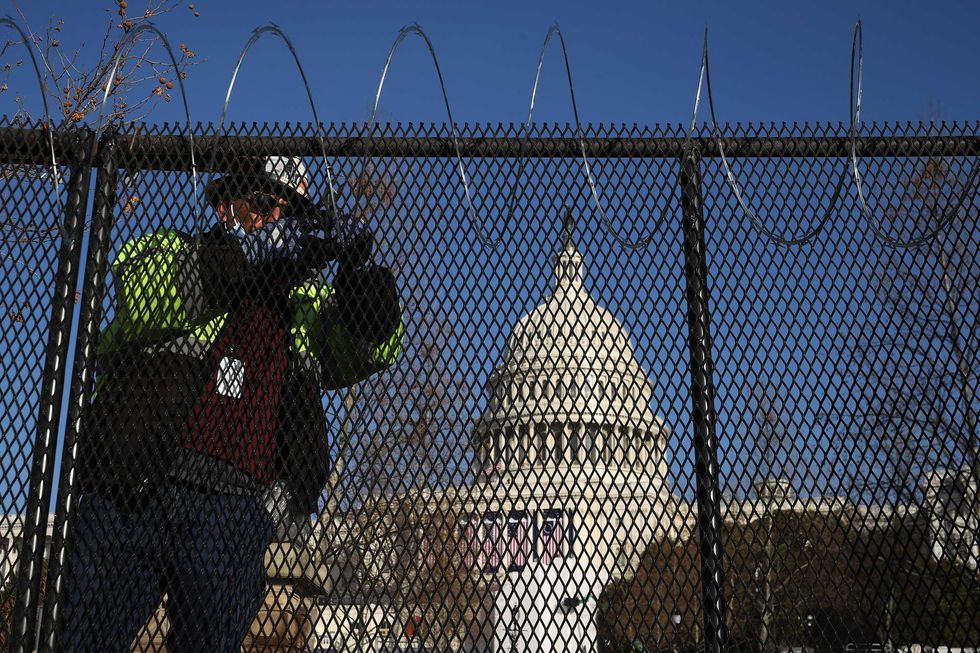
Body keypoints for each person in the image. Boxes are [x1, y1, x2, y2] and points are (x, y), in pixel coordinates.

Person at [61, 156, 404, 652]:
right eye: (263, 204)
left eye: (291, 214)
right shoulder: (178, 251)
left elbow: (366, 349)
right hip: (135, 490)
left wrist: (360, 287)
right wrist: (250, 256)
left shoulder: (304, 303)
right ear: (226, 207)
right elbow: (144, 292)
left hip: (235, 513)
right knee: (84, 640)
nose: (277, 221)